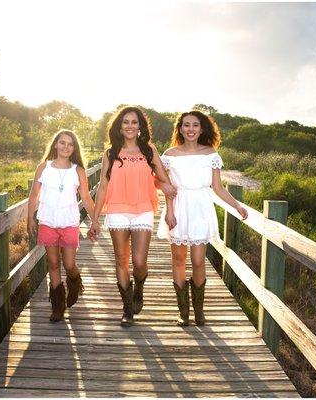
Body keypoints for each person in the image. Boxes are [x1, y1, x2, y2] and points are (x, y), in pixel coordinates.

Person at [157, 110, 249, 326]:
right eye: (186, 125)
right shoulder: (170, 154)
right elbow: (167, 187)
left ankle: (199, 311)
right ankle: (184, 313)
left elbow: (217, 188)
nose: (190, 129)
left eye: (195, 125)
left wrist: (237, 205)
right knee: (178, 260)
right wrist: (169, 211)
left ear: (202, 128)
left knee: (198, 261)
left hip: (200, 208)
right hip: (178, 206)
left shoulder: (211, 154)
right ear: (180, 128)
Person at [88, 106, 176, 326]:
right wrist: (95, 218)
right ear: (119, 126)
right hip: (117, 209)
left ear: (140, 126)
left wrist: (166, 191)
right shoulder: (110, 153)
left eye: (134, 122)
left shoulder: (149, 150)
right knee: (121, 260)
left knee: (139, 261)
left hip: (143, 209)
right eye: (125, 122)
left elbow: (163, 179)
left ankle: (140, 287)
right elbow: (103, 186)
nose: (129, 126)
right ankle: (127, 307)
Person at [27, 129, 96, 322]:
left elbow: (86, 197)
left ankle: (74, 283)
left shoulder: (78, 171)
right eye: (62, 142)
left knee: (69, 263)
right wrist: (30, 218)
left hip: (69, 222)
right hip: (48, 221)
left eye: (70, 144)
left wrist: (95, 220)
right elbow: (34, 195)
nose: (66, 147)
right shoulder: (43, 167)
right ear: (55, 144)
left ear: (74, 148)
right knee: (54, 263)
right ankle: (58, 305)